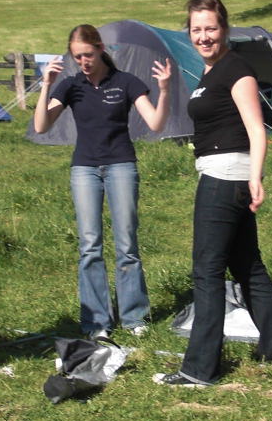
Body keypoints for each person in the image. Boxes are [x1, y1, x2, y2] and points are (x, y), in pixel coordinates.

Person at [158, 0, 272, 387]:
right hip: (224, 175)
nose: (203, 37)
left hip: (225, 178)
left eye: (211, 29)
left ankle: (200, 369)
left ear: (225, 29)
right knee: (248, 267)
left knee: (207, 272)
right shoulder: (211, 71)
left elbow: (256, 128)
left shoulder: (236, 70)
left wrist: (256, 177)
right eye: (196, 30)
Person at [33, 24, 171, 338]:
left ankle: (134, 317)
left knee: (127, 244)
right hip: (85, 169)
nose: (83, 62)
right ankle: (96, 322)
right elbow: (41, 126)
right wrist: (46, 85)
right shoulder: (70, 86)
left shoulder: (126, 82)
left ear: (101, 49)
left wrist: (164, 91)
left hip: (121, 165)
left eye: (88, 55)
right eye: (77, 56)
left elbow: (155, 123)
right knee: (90, 246)